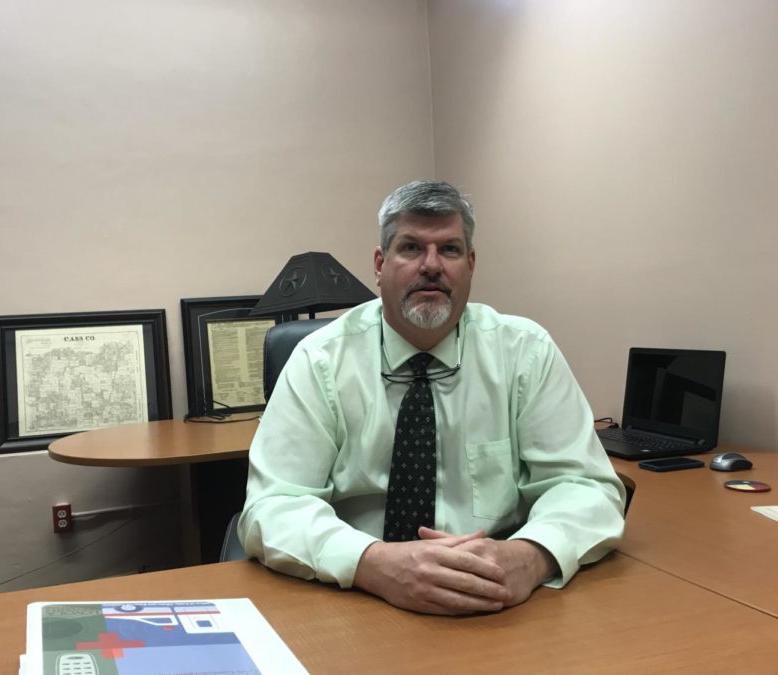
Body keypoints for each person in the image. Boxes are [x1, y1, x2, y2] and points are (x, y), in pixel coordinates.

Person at [238, 180, 625, 616]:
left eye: (450, 250)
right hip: (354, 598)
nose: (431, 266)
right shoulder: (320, 360)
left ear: (471, 264)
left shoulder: (525, 352)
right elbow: (273, 506)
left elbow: (586, 487)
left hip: (497, 602)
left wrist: (531, 556)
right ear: (380, 265)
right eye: (411, 248)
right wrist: (373, 563)